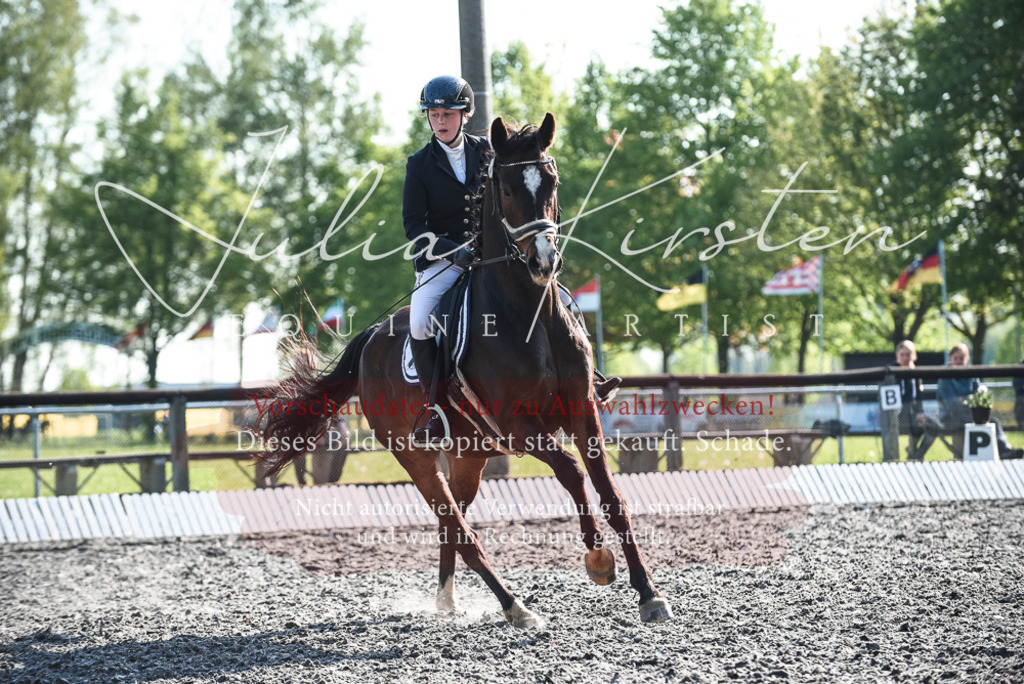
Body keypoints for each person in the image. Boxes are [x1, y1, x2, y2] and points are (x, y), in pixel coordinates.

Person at [402, 75, 620, 449]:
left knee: (562, 299)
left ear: (464, 115)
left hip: (497, 256)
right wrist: (453, 250)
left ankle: (589, 380)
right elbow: (414, 226)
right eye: (434, 114)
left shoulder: (490, 152)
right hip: (443, 261)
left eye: (448, 114)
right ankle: (436, 412)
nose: (440, 121)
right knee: (421, 322)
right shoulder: (419, 164)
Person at [937, 343, 1021, 459]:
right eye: (956, 358)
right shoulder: (945, 377)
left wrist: (965, 398)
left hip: (970, 415)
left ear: (967, 358)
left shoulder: (971, 374)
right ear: (951, 358)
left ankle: (1005, 450)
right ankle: (1002, 452)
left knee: (994, 422)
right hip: (950, 418)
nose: (959, 361)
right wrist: (970, 398)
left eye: (962, 358)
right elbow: (952, 405)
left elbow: (979, 393)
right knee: (982, 421)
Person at [894, 340, 940, 461]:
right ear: (897, 355)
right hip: (897, 415)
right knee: (916, 425)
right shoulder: (892, 373)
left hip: (914, 414)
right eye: (902, 355)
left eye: (908, 354)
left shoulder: (916, 373)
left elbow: (918, 397)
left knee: (933, 427)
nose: (905, 358)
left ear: (914, 355)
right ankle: (914, 455)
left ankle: (915, 455)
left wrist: (920, 413)